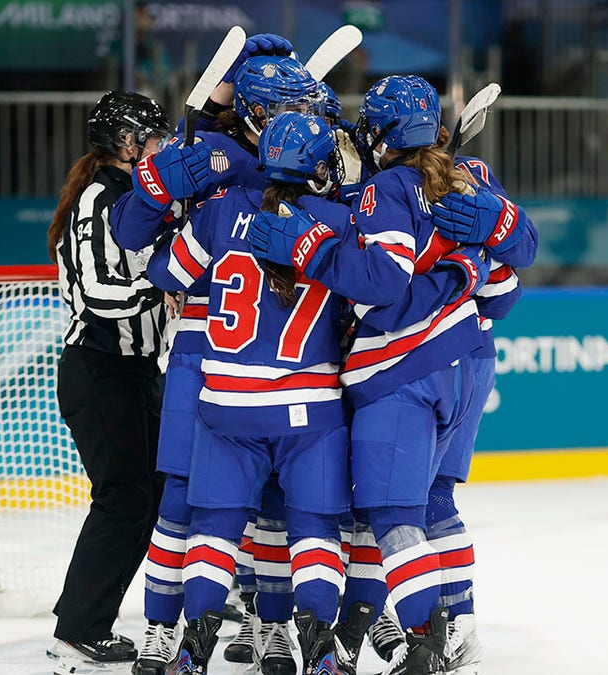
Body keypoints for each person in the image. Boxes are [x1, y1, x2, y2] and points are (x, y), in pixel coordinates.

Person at [248, 75, 508, 675]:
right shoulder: (471, 180)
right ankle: (461, 629)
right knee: (433, 498)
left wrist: (311, 248)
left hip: (402, 370)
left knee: (389, 517)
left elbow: (386, 286)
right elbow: (505, 284)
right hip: (468, 359)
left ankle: (423, 640)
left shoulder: (383, 189)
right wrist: (462, 275)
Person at [146, 111, 355, 675]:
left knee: (212, 530)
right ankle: (318, 646)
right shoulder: (339, 220)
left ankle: (193, 645)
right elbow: (368, 297)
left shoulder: (218, 212)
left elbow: (166, 274)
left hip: (224, 404)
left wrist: (182, 214)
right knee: (312, 530)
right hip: (308, 410)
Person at [45, 90, 170, 672]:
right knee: (124, 500)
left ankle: (88, 619)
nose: (162, 145)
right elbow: (98, 295)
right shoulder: (99, 195)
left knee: (156, 497)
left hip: (137, 371)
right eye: (152, 136)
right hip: (99, 372)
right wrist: (167, 286)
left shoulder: (138, 194)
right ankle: (77, 631)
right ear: (126, 143)